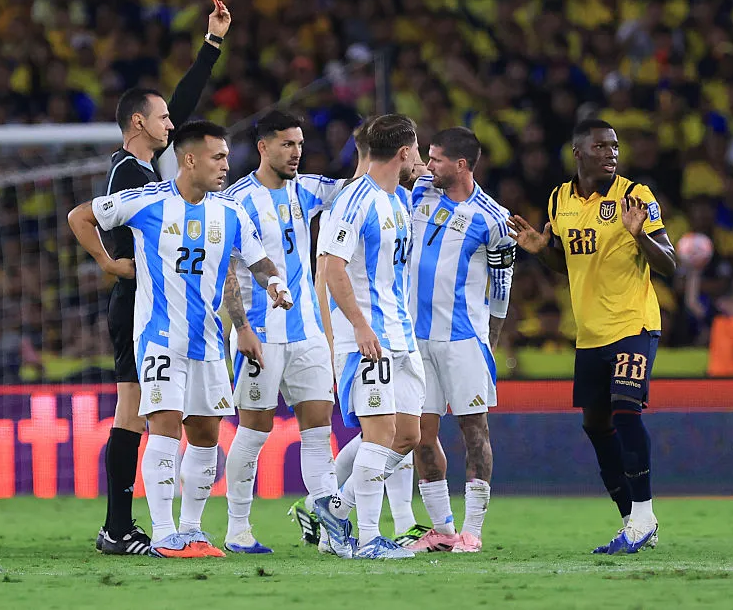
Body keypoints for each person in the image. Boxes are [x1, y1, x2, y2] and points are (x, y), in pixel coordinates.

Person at [68, 121, 293, 558]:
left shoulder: (229, 212)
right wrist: (108, 263)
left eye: (227, 157)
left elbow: (257, 259)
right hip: (159, 338)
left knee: (206, 432)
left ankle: (192, 530)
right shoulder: (146, 201)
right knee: (165, 428)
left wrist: (275, 285)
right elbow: (81, 215)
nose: (226, 166)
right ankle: (163, 533)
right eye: (218, 157)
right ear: (189, 159)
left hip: (208, 341)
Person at [96, 0, 230, 555]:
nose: (173, 125)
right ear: (138, 124)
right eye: (164, 121)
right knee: (136, 410)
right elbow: (96, 220)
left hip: (154, 301)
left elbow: (182, 103)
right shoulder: (130, 171)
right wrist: (111, 262)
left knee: (138, 409)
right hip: (141, 303)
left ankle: (120, 524)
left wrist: (212, 45)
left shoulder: (144, 168)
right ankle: (118, 525)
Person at [507, 118, 676, 555]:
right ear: (578, 152)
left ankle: (644, 515)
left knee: (626, 411)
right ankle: (633, 521)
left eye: (615, 146)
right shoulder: (559, 199)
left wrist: (641, 237)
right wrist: (543, 251)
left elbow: (670, 264)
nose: (612, 153)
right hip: (589, 333)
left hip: (634, 324)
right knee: (595, 424)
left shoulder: (635, 197)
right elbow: (567, 265)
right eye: (601, 146)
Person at [290, 118, 431, 550]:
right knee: (379, 434)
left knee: (407, 436)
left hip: (401, 336)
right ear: (403, 152)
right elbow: (331, 267)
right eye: (417, 151)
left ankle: (334, 509)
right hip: (368, 337)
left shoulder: (399, 201)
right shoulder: (354, 199)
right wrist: (358, 325)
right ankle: (369, 538)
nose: (420, 161)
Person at [219, 110, 345, 554]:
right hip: (261, 334)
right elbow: (229, 274)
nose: (296, 152)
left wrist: (393, 161)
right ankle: (238, 529)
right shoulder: (236, 202)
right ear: (263, 147)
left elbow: (356, 192)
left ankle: (331, 528)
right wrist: (242, 329)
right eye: (287, 144)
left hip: (308, 330)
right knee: (253, 430)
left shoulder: (307, 189)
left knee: (317, 430)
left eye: (299, 143)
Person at [407, 127, 515, 554]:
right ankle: (443, 529)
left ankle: (472, 530)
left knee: (474, 431)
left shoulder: (494, 218)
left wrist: (489, 339)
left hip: (463, 338)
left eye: (435, 160)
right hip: (416, 338)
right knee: (420, 432)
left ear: (462, 165)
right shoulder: (420, 193)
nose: (426, 165)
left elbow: (502, 287)